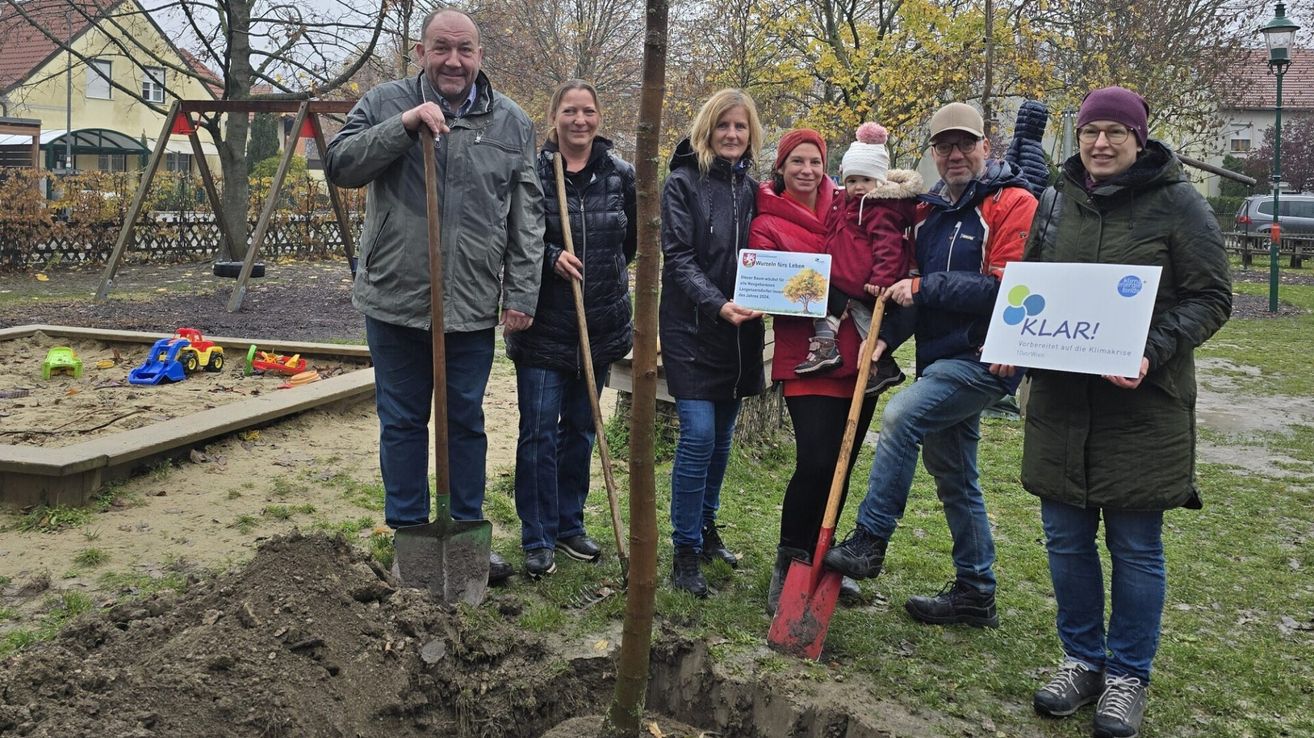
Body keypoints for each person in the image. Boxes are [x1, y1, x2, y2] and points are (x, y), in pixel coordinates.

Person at [1008, 86, 1231, 738]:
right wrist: (1012, 345)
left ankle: (1127, 674)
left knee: (1135, 547)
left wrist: (1150, 349)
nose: (1100, 143)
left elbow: (1212, 296)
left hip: (1143, 410)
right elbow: (1031, 286)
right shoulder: (1054, 203)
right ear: (1076, 138)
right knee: (1065, 541)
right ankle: (1081, 659)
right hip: (1060, 405)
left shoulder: (1178, 204)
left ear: (1139, 138)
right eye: (1090, 132)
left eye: (1114, 132)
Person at [324, 8, 544, 584]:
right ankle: (410, 534)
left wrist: (521, 290)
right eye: (441, 48)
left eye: (465, 50)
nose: (454, 60)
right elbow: (341, 165)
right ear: (421, 52)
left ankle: (465, 532)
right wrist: (402, 125)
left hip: (470, 302)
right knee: (402, 419)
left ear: (479, 55)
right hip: (395, 295)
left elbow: (527, 216)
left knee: (465, 420)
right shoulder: (383, 101)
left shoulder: (510, 122)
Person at [823, 102, 1037, 628]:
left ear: (987, 146)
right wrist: (888, 338)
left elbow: (1006, 287)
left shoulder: (1013, 203)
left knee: (900, 418)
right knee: (957, 479)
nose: (955, 155)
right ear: (933, 154)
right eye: (944, 147)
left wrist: (921, 286)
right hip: (940, 357)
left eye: (966, 144)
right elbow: (909, 289)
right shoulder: (929, 210)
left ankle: (871, 538)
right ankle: (975, 592)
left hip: (987, 358)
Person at [749, 126, 920, 614]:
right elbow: (774, 288)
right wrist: (837, 284)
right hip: (807, 355)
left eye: (815, 161)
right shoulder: (766, 221)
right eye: (796, 161)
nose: (807, 170)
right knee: (817, 461)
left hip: (863, 355)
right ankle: (790, 559)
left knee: (841, 466)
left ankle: (821, 563)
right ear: (780, 167)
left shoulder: (855, 202)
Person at [505, 80, 636, 578]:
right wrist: (549, 257)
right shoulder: (534, 174)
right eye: (569, 111)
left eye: (588, 111)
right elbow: (513, 237)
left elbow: (630, 245)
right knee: (538, 432)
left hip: (598, 325)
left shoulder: (618, 175)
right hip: (542, 327)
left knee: (581, 428)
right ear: (554, 116)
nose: (579, 120)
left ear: (598, 117)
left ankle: (568, 524)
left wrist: (598, 272)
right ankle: (536, 534)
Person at [660, 88, 766, 598]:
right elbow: (678, 258)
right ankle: (683, 548)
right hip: (692, 329)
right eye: (723, 125)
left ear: (751, 134)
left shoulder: (755, 189)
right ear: (707, 128)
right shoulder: (682, 183)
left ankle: (705, 529)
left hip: (740, 334)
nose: (732, 134)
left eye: (740, 127)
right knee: (698, 435)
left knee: (722, 438)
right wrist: (717, 304)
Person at [795, 121, 919, 397]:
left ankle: (874, 363)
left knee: (854, 319)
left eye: (865, 180)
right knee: (832, 310)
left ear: (879, 180)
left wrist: (882, 279)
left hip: (865, 281)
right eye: (852, 181)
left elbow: (889, 247)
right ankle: (837, 352)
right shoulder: (846, 203)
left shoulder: (880, 208)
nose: (858, 187)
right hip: (845, 276)